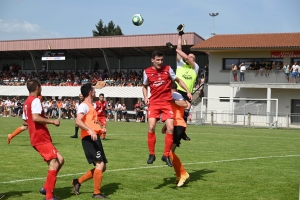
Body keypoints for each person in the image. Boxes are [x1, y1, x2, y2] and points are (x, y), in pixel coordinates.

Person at [142, 50, 192, 167]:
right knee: (151, 126)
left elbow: (178, 80)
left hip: (166, 102)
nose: (160, 62)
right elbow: (144, 86)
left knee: (170, 128)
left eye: (162, 60)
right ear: (152, 60)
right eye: (158, 60)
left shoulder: (168, 69)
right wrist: (145, 97)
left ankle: (165, 155)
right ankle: (152, 154)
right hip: (154, 102)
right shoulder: (147, 72)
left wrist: (188, 91)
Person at [23, 80, 64, 200]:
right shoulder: (35, 100)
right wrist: (52, 121)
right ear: (37, 87)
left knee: (60, 160)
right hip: (40, 137)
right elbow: (35, 118)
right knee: (54, 163)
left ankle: (46, 188)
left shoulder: (26, 102)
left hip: (36, 136)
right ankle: (49, 196)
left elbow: (25, 121)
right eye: (40, 86)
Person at [72, 83, 108, 199]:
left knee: (103, 167)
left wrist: (100, 130)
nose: (95, 91)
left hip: (94, 138)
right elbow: (78, 121)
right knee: (100, 165)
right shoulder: (84, 106)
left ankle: (78, 181)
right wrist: (90, 131)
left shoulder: (91, 106)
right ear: (90, 92)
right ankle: (96, 193)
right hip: (88, 138)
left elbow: (92, 122)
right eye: (93, 90)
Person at [166, 24, 200, 141]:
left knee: (185, 114)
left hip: (187, 92)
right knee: (173, 111)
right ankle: (169, 127)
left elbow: (185, 56)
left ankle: (183, 132)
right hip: (177, 89)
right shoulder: (181, 65)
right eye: (189, 55)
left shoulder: (195, 67)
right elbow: (180, 49)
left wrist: (174, 49)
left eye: (191, 57)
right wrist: (180, 35)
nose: (189, 57)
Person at [162, 82, 191, 187]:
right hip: (174, 125)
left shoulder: (175, 95)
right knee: (170, 152)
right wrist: (166, 126)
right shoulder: (172, 96)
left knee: (169, 152)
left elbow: (185, 104)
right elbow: (172, 113)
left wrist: (172, 100)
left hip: (178, 125)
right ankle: (179, 175)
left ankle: (183, 173)